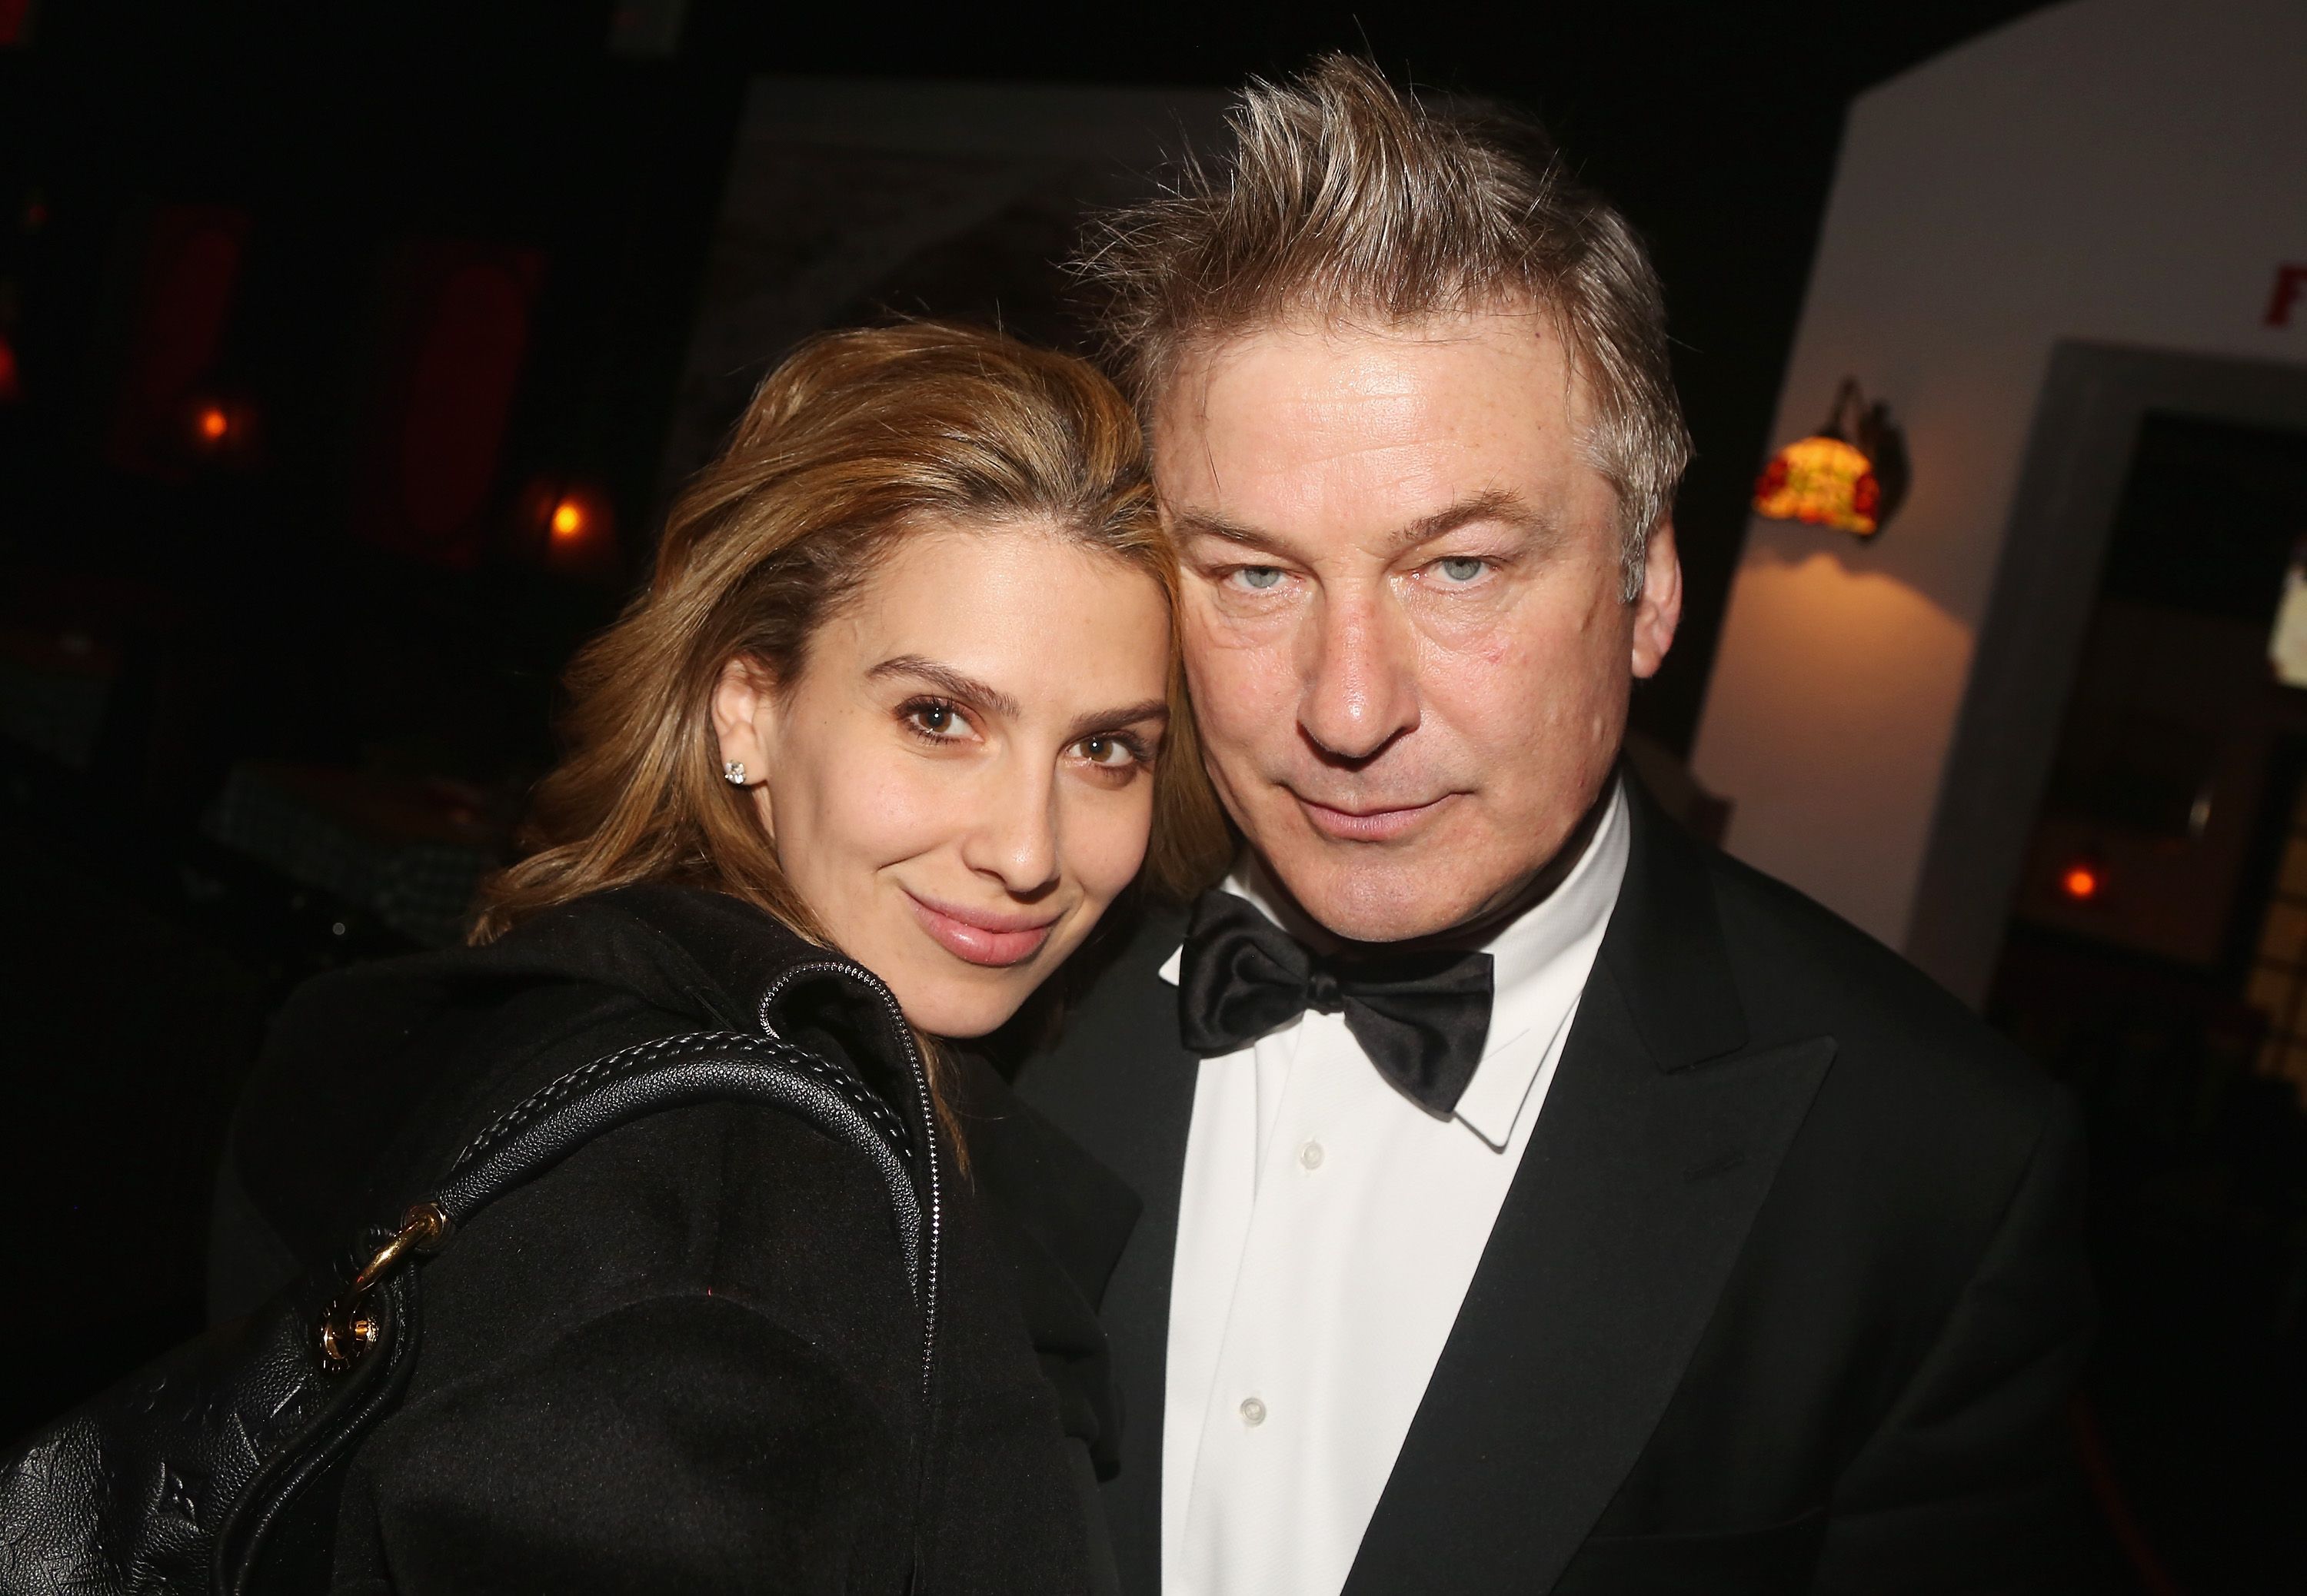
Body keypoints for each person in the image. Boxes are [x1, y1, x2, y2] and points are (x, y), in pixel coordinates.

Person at [1010, 56, 2095, 1595]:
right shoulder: (993, 988)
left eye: (1459, 568)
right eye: (1255, 573)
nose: (1347, 704)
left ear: (1646, 588)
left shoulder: (1932, 1167)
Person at [208, 322, 1230, 1594]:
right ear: (749, 705)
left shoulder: (600, 1006)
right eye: (939, 718)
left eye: (1107, 750)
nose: (1030, 851)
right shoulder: (725, 1184)